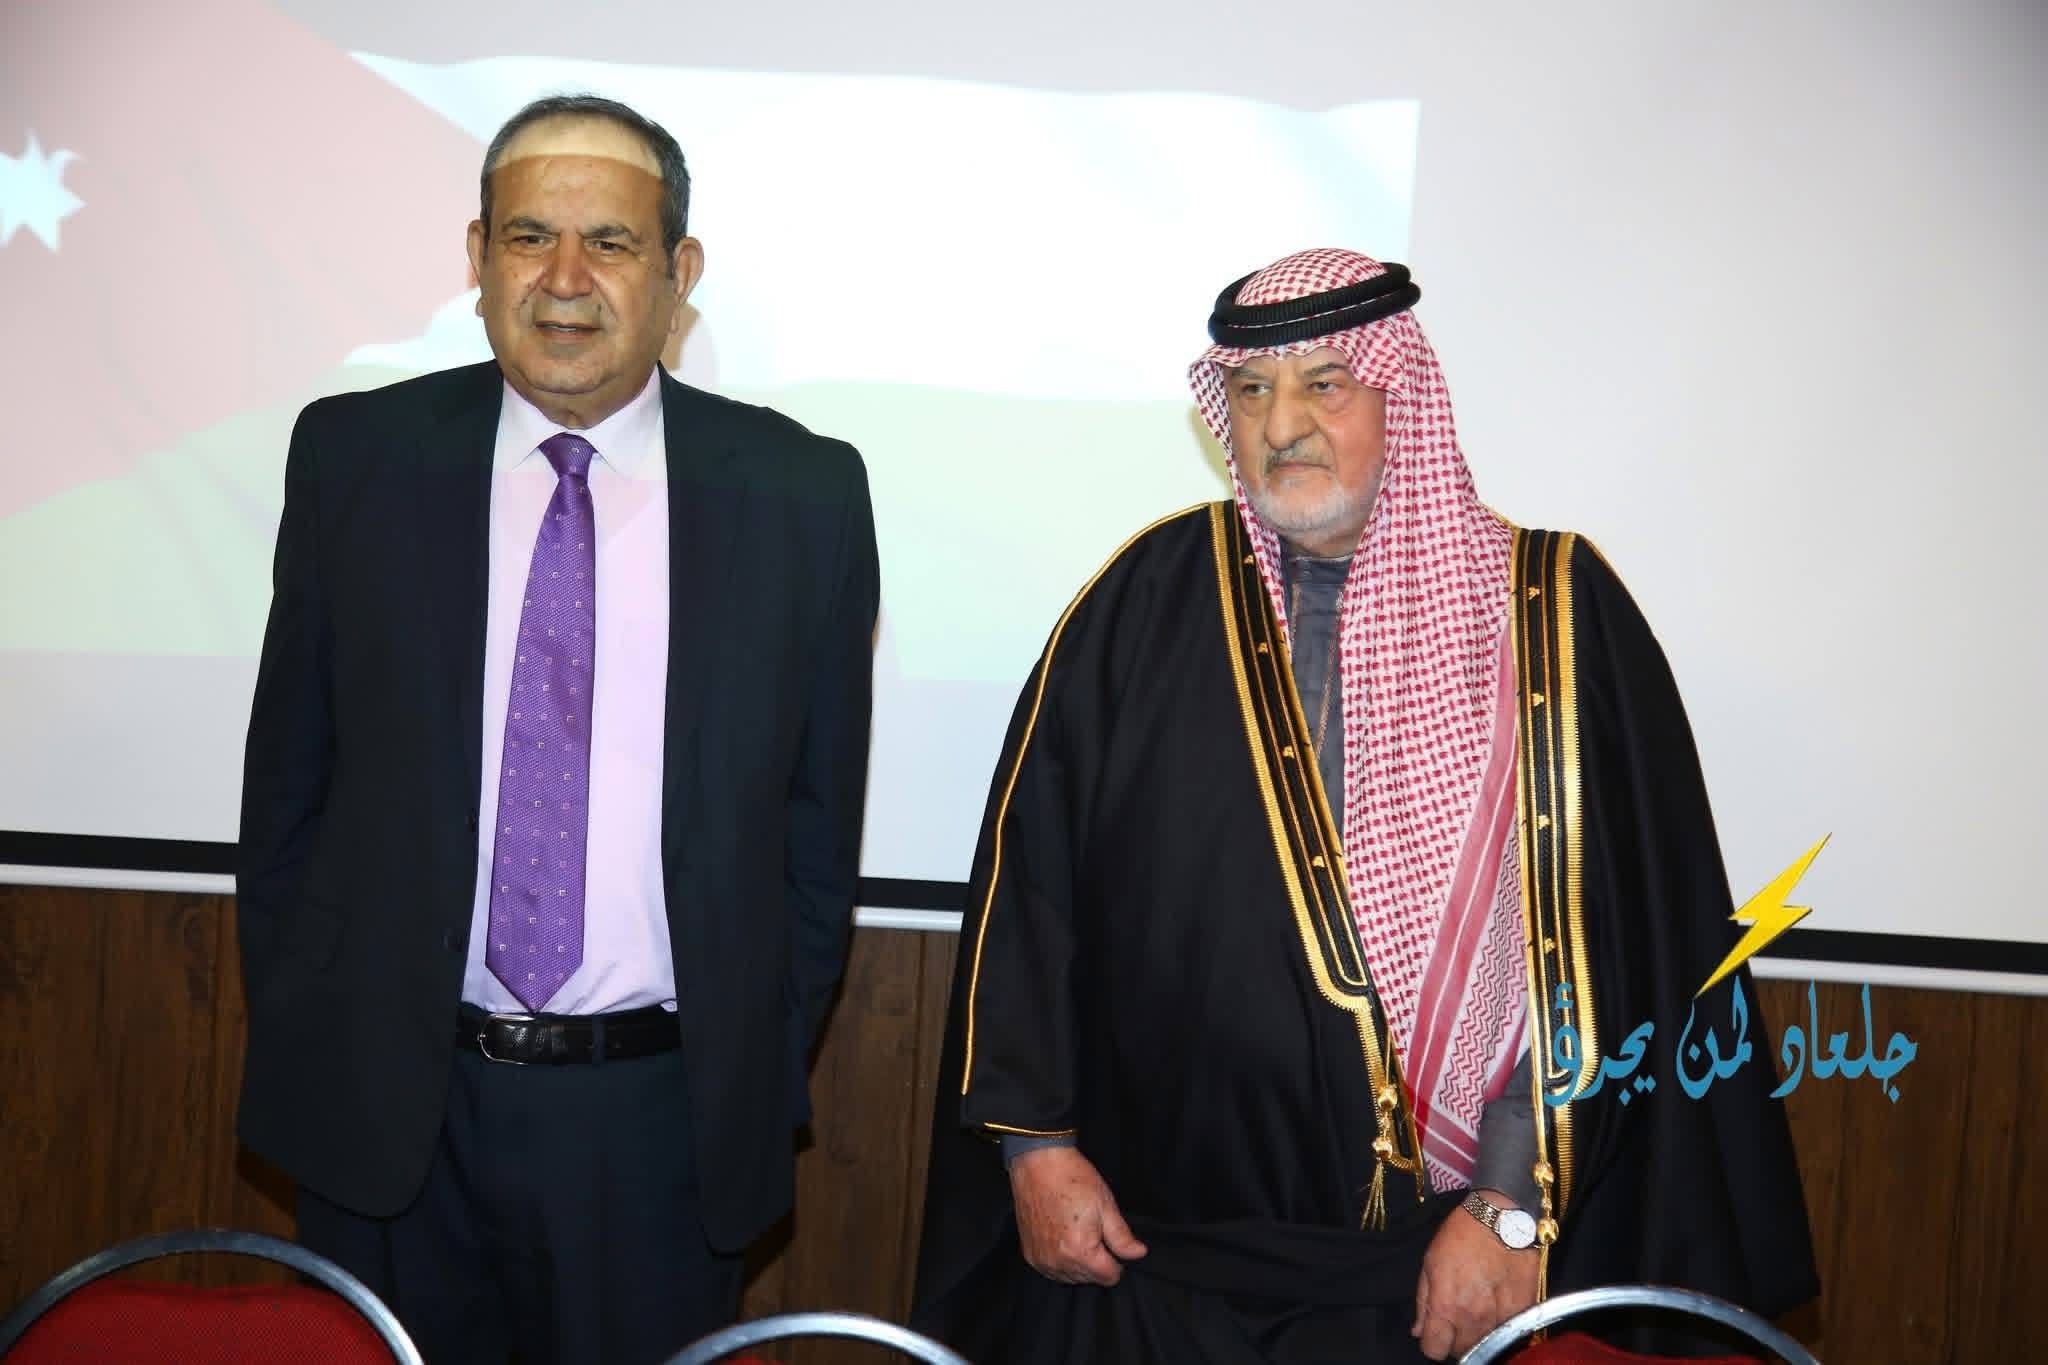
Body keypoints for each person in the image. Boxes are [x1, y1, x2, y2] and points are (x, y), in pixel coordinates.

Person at [911, 248, 1816, 1362]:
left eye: (1324, 384)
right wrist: (1033, 1150)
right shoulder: (1141, 603)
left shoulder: (1550, 617)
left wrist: (1509, 1206)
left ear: (1401, 394)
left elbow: (1619, 953)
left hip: (1440, 1278)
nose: (1281, 424)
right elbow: (1029, 892)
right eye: (1251, 390)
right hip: (1158, 1272)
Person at [236, 94, 878, 1365]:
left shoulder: (801, 494)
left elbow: (814, 835)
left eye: (613, 242)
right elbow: (286, 792)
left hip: (656, 1133)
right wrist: (324, 1023)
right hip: (391, 1119)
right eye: (530, 237)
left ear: (679, 273)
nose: (566, 279)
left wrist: (730, 1056)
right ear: (478, 259)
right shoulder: (356, 459)